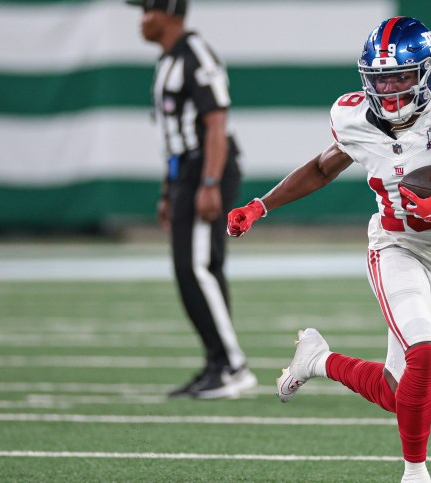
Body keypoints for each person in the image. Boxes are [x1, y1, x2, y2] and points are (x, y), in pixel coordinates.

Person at [226, 16, 431, 483]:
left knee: (397, 390)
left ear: (428, 73)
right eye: (380, 80)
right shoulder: (355, 118)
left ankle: (317, 360)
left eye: (402, 76)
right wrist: (261, 205)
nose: (390, 90)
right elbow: (322, 168)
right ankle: (415, 474)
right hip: (395, 247)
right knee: (421, 354)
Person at [127, 0, 256, 399]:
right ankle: (218, 362)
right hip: (187, 171)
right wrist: (170, 188)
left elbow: (216, 120)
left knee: (197, 268)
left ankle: (232, 367)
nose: (141, 21)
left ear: (167, 13)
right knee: (196, 270)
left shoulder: (194, 53)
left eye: (146, 11)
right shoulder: (168, 60)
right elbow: (172, 138)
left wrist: (210, 182)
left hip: (205, 166)